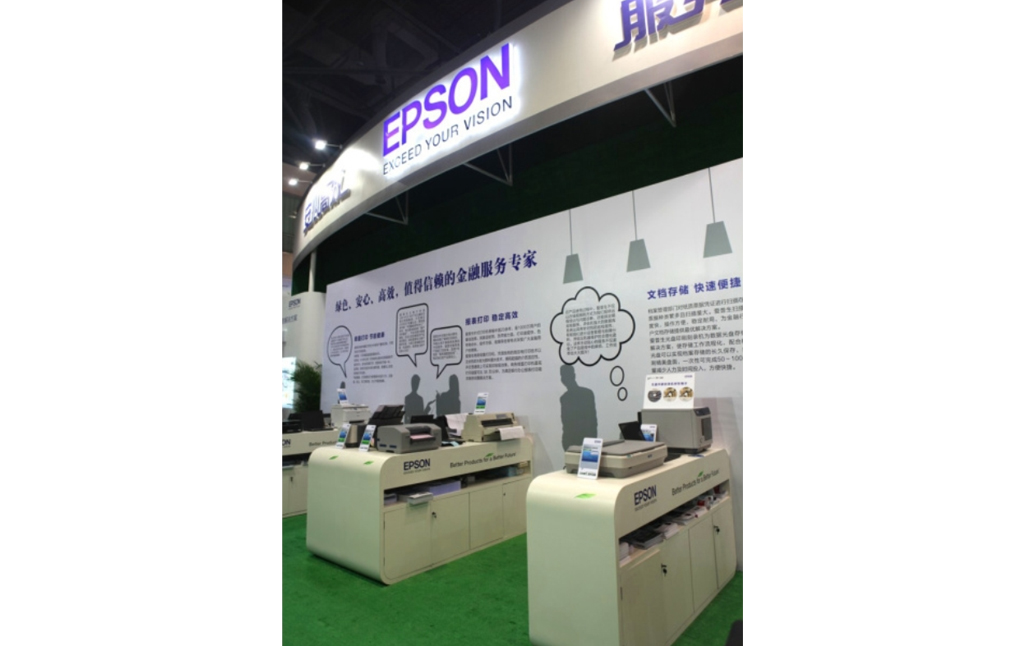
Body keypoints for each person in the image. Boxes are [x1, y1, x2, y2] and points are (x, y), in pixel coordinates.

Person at [559, 364, 598, 450]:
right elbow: (565, 423)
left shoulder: (586, 394)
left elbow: (591, 422)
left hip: (584, 442)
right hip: (571, 443)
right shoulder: (565, 398)